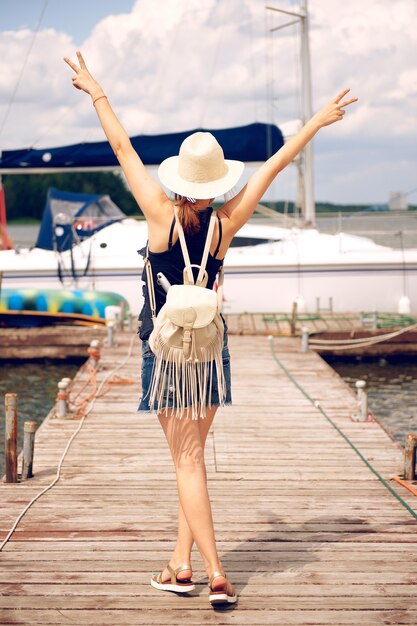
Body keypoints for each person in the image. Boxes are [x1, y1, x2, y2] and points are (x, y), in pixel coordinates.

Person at [64, 50, 358, 606]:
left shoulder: (158, 213)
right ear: (216, 184)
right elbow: (272, 167)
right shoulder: (227, 223)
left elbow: (123, 148)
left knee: (187, 462)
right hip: (210, 349)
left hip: (167, 350)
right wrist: (315, 122)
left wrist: (96, 91)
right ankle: (180, 564)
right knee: (190, 461)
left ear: (179, 180)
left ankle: (216, 572)